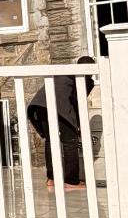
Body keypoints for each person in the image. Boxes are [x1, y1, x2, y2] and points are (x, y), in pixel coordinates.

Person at [26, 56, 97, 190]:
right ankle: (71, 181)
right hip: (59, 105)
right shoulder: (85, 78)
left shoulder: (66, 71)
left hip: (40, 105)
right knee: (70, 141)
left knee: (51, 140)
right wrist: (78, 126)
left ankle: (52, 179)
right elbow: (77, 103)